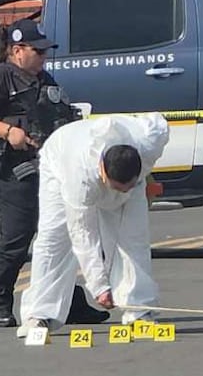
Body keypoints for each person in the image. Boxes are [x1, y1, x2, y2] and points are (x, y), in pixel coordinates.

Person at [0, 18, 85, 328]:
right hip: (14, 169)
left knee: (59, 236)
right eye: (38, 51)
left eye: (45, 52)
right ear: (17, 50)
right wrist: (7, 132)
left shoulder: (44, 80)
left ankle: (68, 303)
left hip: (49, 168)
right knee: (17, 237)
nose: (44, 57)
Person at [17, 112, 170, 335]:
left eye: (127, 186)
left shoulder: (148, 142)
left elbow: (160, 123)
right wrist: (99, 286)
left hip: (128, 176)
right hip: (60, 159)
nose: (121, 193)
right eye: (117, 188)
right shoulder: (78, 177)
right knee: (55, 238)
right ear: (102, 172)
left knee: (134, 238)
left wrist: (142, 181)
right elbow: (82, 233)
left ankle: (139, 309)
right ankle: (40, 314)